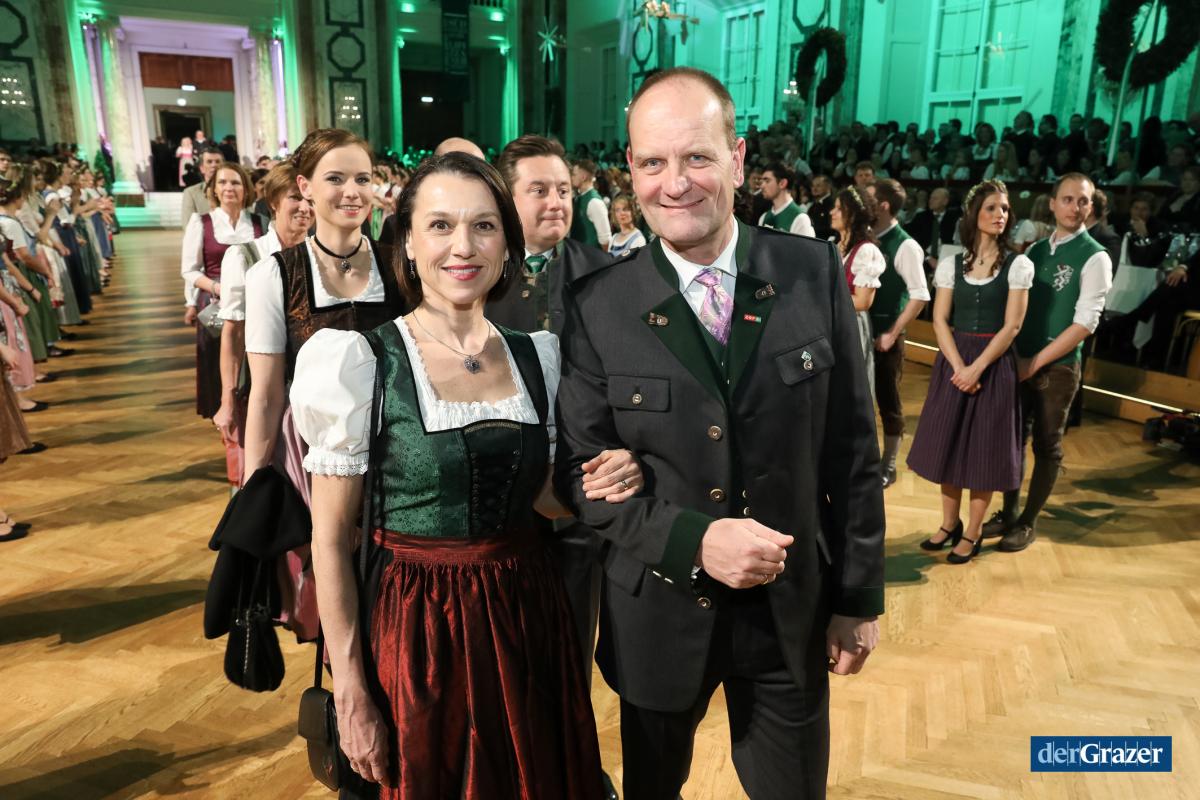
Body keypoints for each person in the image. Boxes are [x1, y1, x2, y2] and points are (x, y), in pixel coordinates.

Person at [555, 67, 884, 800]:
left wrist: (858, 596)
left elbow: (853, 452)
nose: (674, 184)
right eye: (652, 162)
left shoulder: (811, 271)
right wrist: (696, 541)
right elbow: (580, 477)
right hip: (658, 614)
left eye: (696, 157)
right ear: (631, 169)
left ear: (737, 160)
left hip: (789, 614)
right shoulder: (599, 304)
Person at [291, 152, 639, 797]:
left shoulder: (539, 357)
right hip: (416, 632)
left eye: (483, 226)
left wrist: (605, 476)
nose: (463, 246)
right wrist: (353, 689)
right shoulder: (361, 362)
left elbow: (544, 499)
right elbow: (330, 541)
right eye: (440, 225)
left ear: (507, 243)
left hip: (528, 618)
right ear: (408, 242)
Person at [485, 134, 629, 800]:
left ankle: (570, 771)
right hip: (496, 500)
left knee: (571, 645)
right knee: (499, 650)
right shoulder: (475, 270)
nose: (555, 202)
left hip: (578, 499)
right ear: (506, 198)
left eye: (564, 190)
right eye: (538, 190)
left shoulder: (608, 272)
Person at [982, 173, 1113, 551]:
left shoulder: (1096, 256)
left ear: (1091, 207)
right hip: (1020, 359)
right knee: (1013, 440)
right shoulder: (1036, 251)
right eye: (1068, 199)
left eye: (1083, 201)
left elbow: (1085, 323)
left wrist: (1033, 362)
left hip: (1058, 367)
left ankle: (1028, 521)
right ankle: (1009, 511)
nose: (1075, 207)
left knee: (1047, 445)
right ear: (1052, 204)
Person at [908, 180, 1032, 563]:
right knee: (948, 443)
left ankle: (974, 531)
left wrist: (977, 367)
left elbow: (1012, 326)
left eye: (1005, 209)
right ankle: (950, 524)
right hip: (954, 359)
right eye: (992, 207)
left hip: (993, 364)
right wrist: (959, 366)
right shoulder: (952, 264)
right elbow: (940, 320)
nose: (1000, 215)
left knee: (983, 452)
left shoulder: (1017, 265)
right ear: (974, 214)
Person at [180, 161, 263, 488]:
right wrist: (217, 287)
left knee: (253, 373)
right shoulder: (201, 222)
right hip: (215, 305)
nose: (229, 188)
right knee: (223, 375)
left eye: (236, 182)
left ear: (246, 189)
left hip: (254, 305)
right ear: (213, 189)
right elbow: (189, 269)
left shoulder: (257, 223)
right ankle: (229, 440)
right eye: (223, 183)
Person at [868, 179, 930, 488]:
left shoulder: (906, 245)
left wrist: (893, 333)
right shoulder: (867, 238)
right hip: (862, 333)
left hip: (886, 337)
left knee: (888, 401)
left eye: (869, 199)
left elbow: (920, 296)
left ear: (883, 205)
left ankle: (889, 464)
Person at [832, 185, 886, 397]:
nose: (832, 212)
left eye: (839, 208)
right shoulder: (834, 246)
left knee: (850, 386)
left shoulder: (866, 251)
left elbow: (863, 302)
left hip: (852, 325)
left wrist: (825, 299)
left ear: (853, 214)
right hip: (833, 322)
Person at [757, 162, 815, 237]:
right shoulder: (764, 217)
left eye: (767, 181)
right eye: (762, 182)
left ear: (782, 183)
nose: (762, 186)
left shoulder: (800, 218)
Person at [569, 159, 612, 249]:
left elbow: (605, 239)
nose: (571, 177)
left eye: (574, 174)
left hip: (590, 255)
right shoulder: (579, 197)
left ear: (583, 177)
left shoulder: (594, 202)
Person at [180, 145, 224, 230]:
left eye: (218, 161)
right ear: (202, 168)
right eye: (209, 162)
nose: (214, 165)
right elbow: (188, 225)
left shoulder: (233, 189)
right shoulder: (191, 193)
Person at [807, 174, 835, 241]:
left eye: (818, 186)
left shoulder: (833, 204)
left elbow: (831, 228)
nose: (814, 189)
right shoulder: (813, 206)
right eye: (812, 186)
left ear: (828, 187)